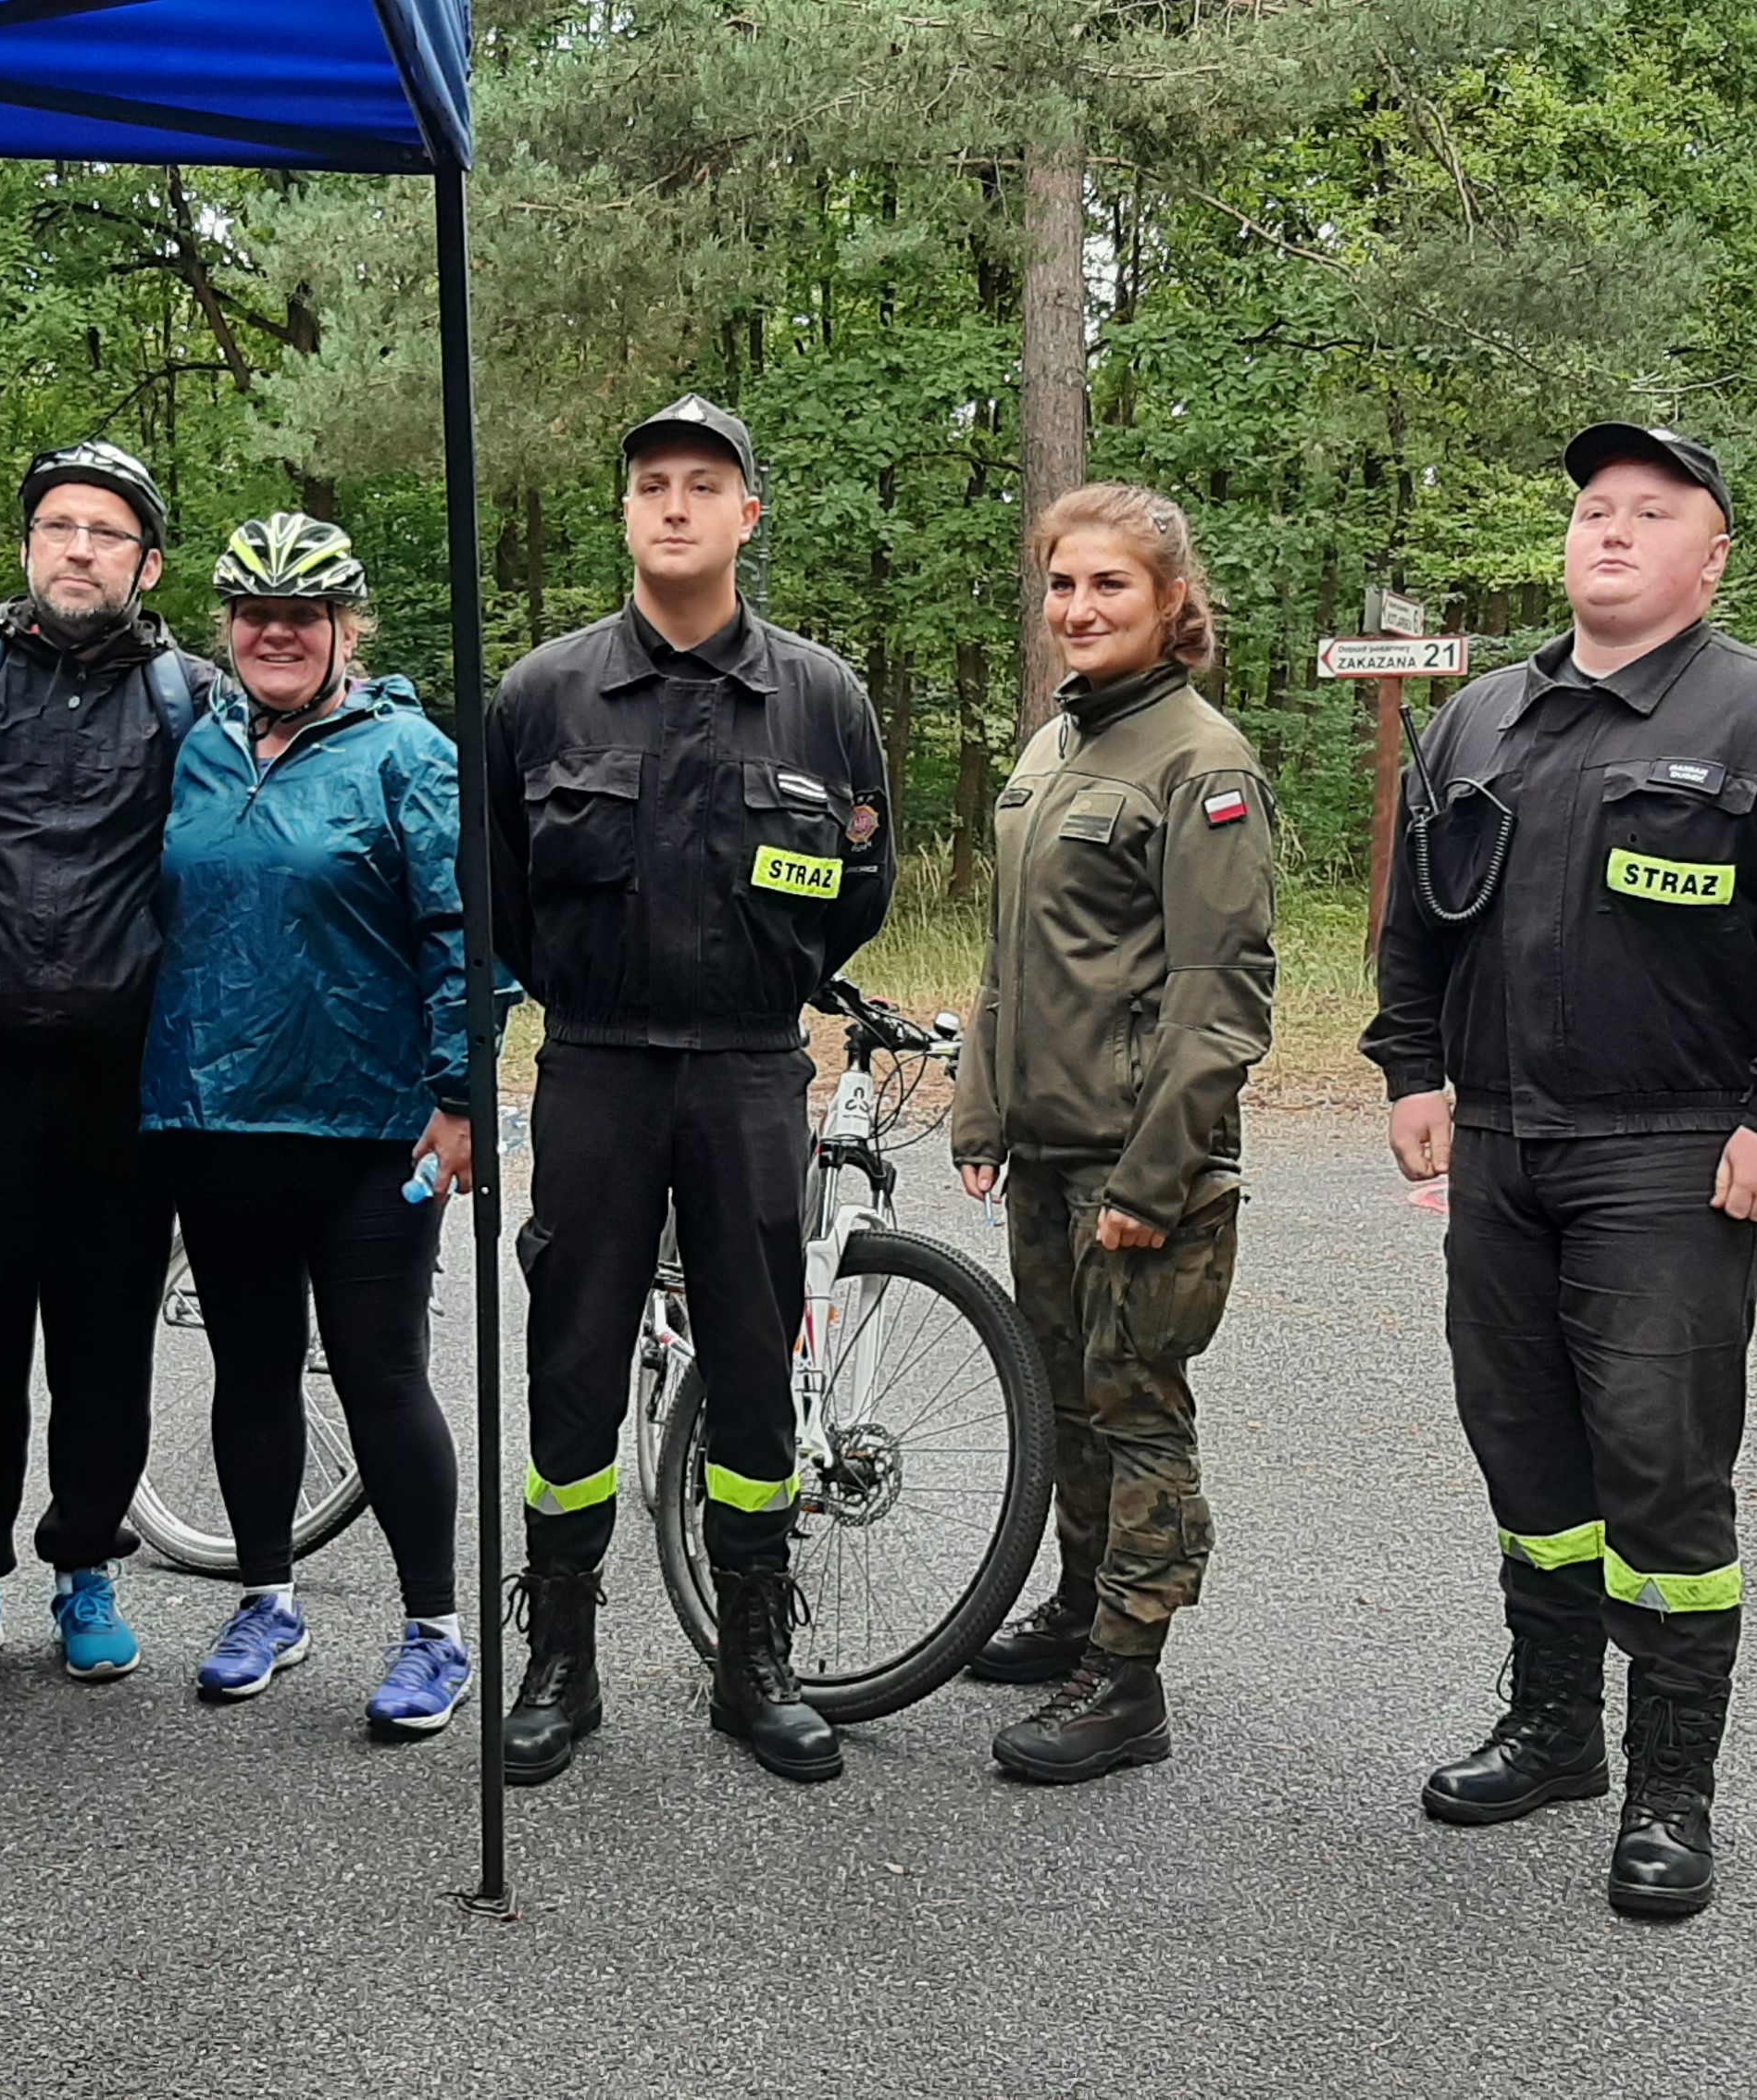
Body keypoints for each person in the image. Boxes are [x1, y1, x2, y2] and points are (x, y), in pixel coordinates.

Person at [1362, 423, 1757, 1917]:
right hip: (1502, 1143)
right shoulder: (1481, 720)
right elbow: (1415, 919)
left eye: (1648, 511)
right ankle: (1555, 1729)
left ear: (1709, 553)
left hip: (1674, 1149)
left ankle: (1674, 1780)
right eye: (1591, 509)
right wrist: (1413, 1065)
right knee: (1523, 1446)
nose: (1607, 530)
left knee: (1660, 1464)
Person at [480, 394, 893, 1786]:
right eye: (650, 481)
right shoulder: (541, 696)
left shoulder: (823, 701)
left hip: (746, 1072)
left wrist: (748, 982)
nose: (674, 504)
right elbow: (506, 904)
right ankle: (563, 1654)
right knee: (574, 1364)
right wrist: (595, 993)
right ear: (625, 512)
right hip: (594, 1065)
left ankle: (753, 1654)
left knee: (754, 1363)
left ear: (746, 516)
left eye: (702, 484)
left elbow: (854, 891)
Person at [948, 484, 1277, 1785]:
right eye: (1063, 586)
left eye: (1111, 588)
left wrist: (1157, 1174)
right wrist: (984, 1108)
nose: (1079, 610)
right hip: (1048, 1151)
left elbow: (1220, 994)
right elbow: (1005, 959)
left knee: (1136, 1410)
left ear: (1172, 604)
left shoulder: (1203, 761)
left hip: (1145, 1167)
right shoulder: (1050, 750)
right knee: (1065, 1402)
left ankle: (1128, 1676)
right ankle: (1082, 1609)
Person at [0, 440, 221, 1694]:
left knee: (103, 1337)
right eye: (59, 527)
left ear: (146, 561)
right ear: (27, 543)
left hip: (122, 1084)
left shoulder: (193, 695)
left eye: (108, 533)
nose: (80, 548)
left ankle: (87, 1566)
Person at [143, 514, 482, 1735]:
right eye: (255, 613)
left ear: (349, 627)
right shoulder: (193, 749)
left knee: (383, 1374)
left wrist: (460, 1097)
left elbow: (467, 934)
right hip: (219, 1117)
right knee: (250, 1369)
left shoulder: (407, 754)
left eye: (305, 614)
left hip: (369, 1129)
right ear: (227, 627)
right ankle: (265, 1599)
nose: (277, 632)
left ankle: (434, 1633)